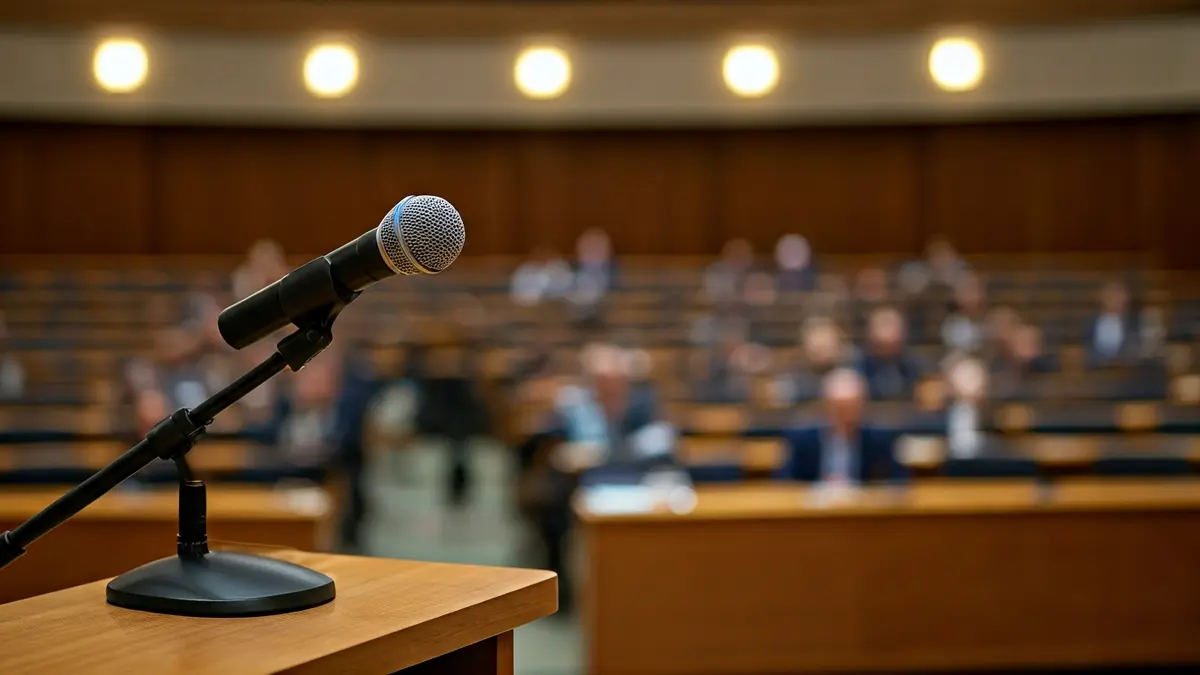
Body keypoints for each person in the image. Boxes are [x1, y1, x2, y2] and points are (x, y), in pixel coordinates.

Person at [538, 344, 669, 611]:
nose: (607, 386)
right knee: (552, 509)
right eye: (600, 380)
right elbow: (551, 447)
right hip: (583, 484)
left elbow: (660, 445)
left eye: (614, 380)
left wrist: (608, 454)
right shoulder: (573, 405)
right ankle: (569, 591)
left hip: (635, 482)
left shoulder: (643, 403)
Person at [776, 368, 907, 485]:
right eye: (840, 409)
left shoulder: (878, 440)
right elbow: (783, 481)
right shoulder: (802, 440)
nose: (847, 415)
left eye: (852, 407)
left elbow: (899, 480)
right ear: (826, 407)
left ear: (863, 406)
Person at [854, 307, 923, 400]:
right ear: (869, 333)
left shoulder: (915, 366)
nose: (887, 331)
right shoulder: (858, 367)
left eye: (891, 325)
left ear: (904, 333)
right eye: (882, 325)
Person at [1086, 280, 1140, 368]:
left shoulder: (1136, 325)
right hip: (1094, 375)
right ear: (1101, 296)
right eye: (1111, 294)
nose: (1115, 299)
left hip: (1127, 376)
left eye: (1119, 294)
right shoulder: (1088, 324)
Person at [943, 356, 989, 458]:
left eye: (977, 376)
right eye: (968, 377)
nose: (974, 383)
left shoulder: (994, 419)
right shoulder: (938, 420)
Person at [942, 271, 987, 352]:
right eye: (968, 289)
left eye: (977, 288)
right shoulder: (952, 327)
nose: (975, 295)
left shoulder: (992, 319)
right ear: (956, 296)